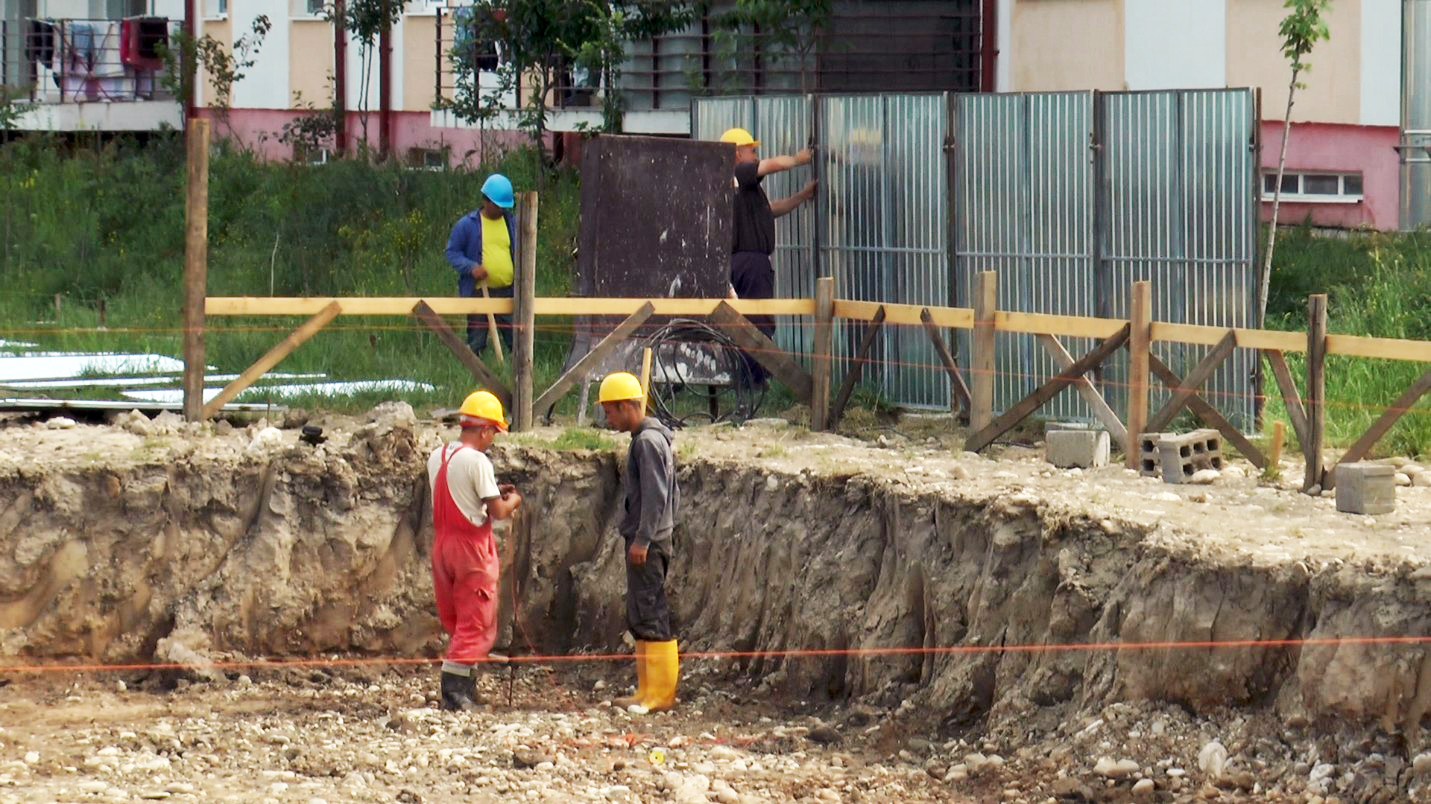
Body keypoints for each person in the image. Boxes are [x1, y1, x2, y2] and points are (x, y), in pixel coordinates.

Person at [427, 390, 523, 711]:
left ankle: (463, 689)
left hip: (442, 545)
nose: (493, 439)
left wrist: (493, 491)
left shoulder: (438, 455)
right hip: (470, 548)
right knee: (477, 620)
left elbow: (462, 493)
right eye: (493, 432)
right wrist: (513, 500)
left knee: (458, 620)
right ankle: (456, 696)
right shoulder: (477, 459)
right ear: (483, 429)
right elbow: (497, 512)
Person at [598, 372, 681, 713]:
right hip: (646, 538)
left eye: (610, 411)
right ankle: (648, 690)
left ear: (627, 406)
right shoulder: (644, 439)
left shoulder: (647, 443)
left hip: (650, 540)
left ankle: (660, 695)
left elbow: (655, 497)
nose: (608, 419)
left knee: (650, 612)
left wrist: (643, 539)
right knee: (640, 613)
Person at [720, 127, 817, 384]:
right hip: (752, 264)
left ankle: (748, 378)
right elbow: (770, 165)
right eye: (752, 151)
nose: (755, 156)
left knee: (745, 322)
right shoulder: (738, 172)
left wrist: (801, 197)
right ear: (737, 153)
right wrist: (798, 159)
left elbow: (769, 210)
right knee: (758, 321)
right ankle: (756, 380)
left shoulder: (737, 190)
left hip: (739, 263)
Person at [445, 173, 518, 357]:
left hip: (508, 293)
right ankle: (476, 375)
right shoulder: (467, 225)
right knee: (476, 341)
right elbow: (452, 253)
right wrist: (471, 267)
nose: (501, 210)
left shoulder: (512, 223)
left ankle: (516, 375)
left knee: (516, 341)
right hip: (479, 293)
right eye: (498, 206)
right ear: (486, 202)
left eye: (504, 207)